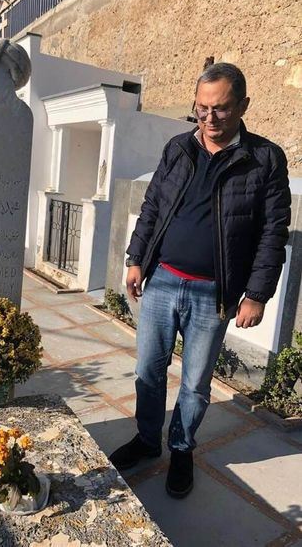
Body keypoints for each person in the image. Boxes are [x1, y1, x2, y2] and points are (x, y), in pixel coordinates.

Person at [109, 63, 291, 499]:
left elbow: (273, 233)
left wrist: (256, 295)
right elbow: (153, 206)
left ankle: (181, 448)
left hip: (214, 294)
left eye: (221, 108)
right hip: (163, 280)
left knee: (194, 383)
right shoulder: (178, 148)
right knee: (148, 372)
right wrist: (136, 259)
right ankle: (147, 440)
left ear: (243, 105)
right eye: (202, 107)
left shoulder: (264, 159)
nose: (209, 117)